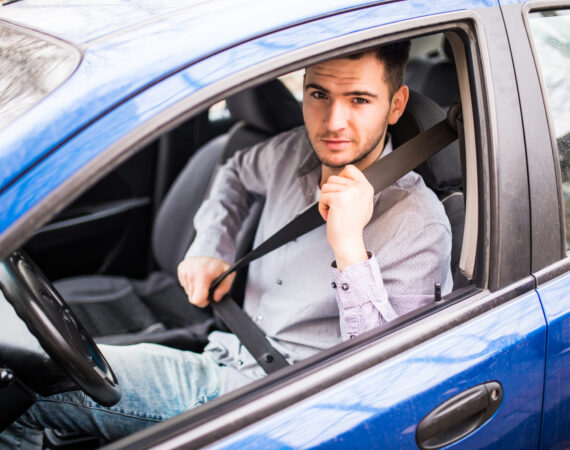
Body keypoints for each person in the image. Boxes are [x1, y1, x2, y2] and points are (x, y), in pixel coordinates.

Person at [0, 41, 452, 448]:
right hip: (228, 344)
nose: (333, 122)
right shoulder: (292, 151)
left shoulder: (418, 222)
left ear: (395, 106)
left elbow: (385, 384)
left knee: (28, 391)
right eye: (319, 95)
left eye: (358, 100)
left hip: (281, 403)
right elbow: (234, 173)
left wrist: (350, 246)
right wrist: (211, 245)